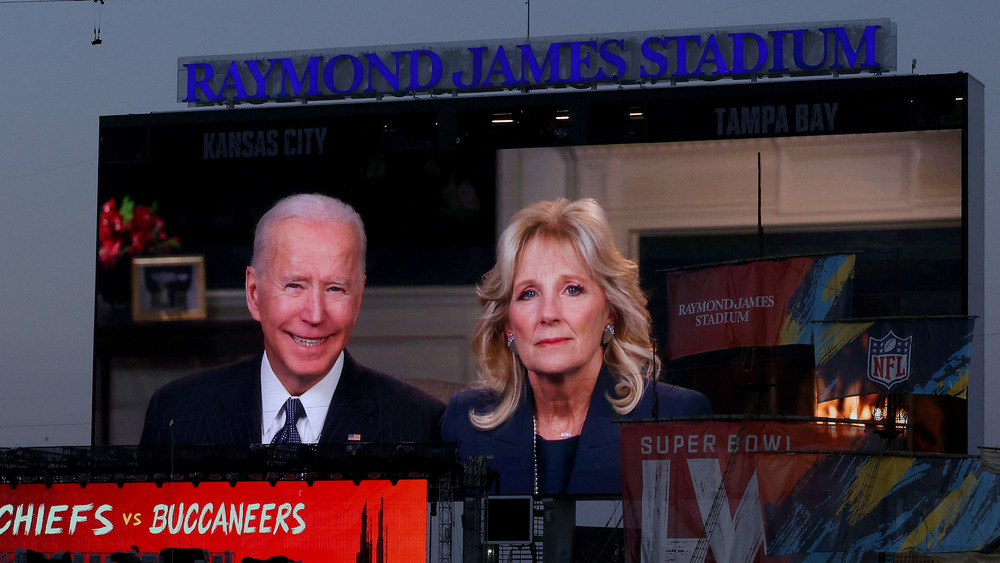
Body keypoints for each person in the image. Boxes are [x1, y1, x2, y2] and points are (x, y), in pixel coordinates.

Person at [442, 198, 711, 495]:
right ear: (507, 325)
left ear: (610, 310)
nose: (548, 314)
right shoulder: (465, 423)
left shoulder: (673, 418)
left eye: (572, 289)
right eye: (528, 293)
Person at [140, 193, 445, 446]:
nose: (314, 314)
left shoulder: (420, 425)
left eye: (335, 288)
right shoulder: (176, 414)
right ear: (254, 292)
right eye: (294, 286)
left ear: (358, 299)